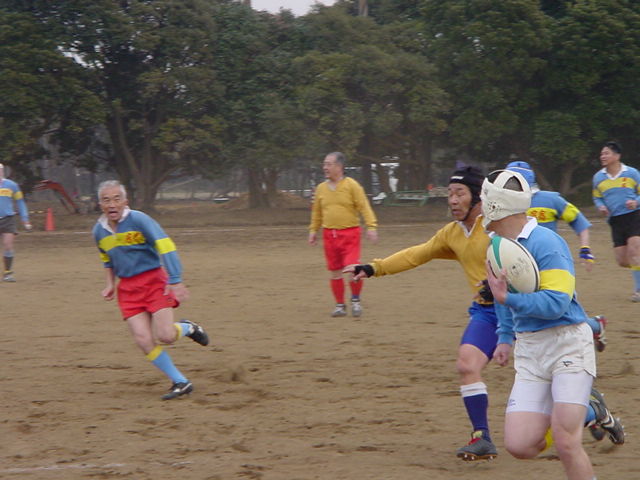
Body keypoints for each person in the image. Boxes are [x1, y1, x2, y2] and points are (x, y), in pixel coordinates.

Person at [346, 165, 502, 460]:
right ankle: (482, 437)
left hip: (524, 309)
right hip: (488, 313)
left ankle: (587, 406)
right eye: (450, 194)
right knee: (467, 365)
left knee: (545, 373)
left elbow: (530, 264)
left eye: (460, 193)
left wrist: (505, 287)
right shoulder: (453, 234)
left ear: (478, 197)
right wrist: (374, 268)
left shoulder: (498, 226)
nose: (452, 200)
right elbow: (417, 254)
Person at [482, 169, 624, 480]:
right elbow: (499, 296)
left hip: (567, 344)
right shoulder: (496, 246)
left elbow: (557, 303)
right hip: (530, 349)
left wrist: (509, 298)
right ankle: (591, 409)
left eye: (484, 200)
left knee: (566, 442)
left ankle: (575, 415)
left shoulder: (547, 242)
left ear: (494, 205)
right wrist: (504, 336)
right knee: (520, 445)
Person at [93, 180, 209, 400]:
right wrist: (109, 283)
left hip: (154, 281)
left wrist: (175, 279)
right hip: (128, 289)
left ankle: (188, 328)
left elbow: (165, 245)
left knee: (166, 336)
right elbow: (107, 259)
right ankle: (180, 381)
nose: (112, 204)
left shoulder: (139, 220)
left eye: (117, 199)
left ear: (125, 201)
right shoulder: (99, 231)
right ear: (100, 204)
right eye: (106, 200)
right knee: (143, 340)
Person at [506, 161, 606, 352]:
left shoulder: (550, 200)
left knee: (564, 313)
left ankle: (594, 327)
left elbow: (579, 221)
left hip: (552, 265)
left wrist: (585, 248)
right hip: (520, 266)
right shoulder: (503, 207)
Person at [308, 152, 378, 317]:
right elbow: (317, 213)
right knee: (335, 272)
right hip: (329, 235)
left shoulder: (352, 185)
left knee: (353, 269)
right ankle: (340, 305)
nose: (325, 167)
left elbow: (364, 206)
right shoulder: (321, 188)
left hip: (350, 234)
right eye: (324, 164)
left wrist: (371, 226)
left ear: (339, 167)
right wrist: (313, 230)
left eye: (329, 164)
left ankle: (355, 301)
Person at [592, 141, 640, 302]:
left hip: (634, 216)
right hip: (615, 221)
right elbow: (597, 197)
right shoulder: (598, 177)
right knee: (622, 261)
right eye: (601, 154)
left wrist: (636, 202)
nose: (602, 156)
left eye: (606, 153)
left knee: (635, 251)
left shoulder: (632, 173)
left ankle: (638, 291)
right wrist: (601, 206)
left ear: (617, 156)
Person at [0, 163, 32, 282]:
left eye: (0, 170)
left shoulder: (12, 185)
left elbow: (20, 201)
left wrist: (25, 218)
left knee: (8, 245)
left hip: (8, 219)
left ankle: (8, 273)